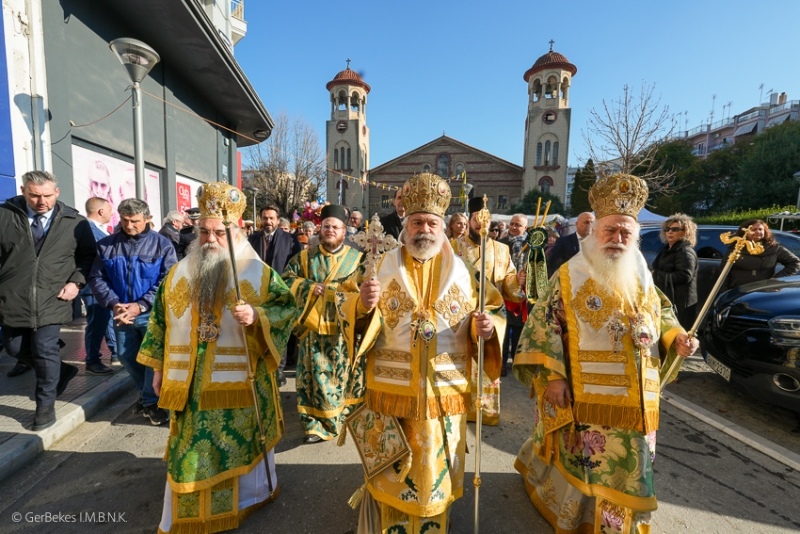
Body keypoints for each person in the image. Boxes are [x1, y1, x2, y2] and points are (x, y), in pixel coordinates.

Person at [513, 173, 699, 534]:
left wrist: (677, 338)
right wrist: (553, 377)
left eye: (625, 233)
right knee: (589, 460)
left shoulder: (642, 272)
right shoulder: (571, 274)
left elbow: (660, 313)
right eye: (610, 230)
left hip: (638, 393)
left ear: (635, 237)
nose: (617, 239)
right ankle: (582, 517)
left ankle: (621, 522)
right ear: (594, 231)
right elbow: (543, 325)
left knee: (632, 462)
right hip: (587, 393)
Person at [338, 172, 505, 533]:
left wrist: (488, 329)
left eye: (432, 222)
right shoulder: (379, 265)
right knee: (395, 469)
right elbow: (343, 302)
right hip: (390, 391)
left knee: (432, 471)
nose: (424, 229)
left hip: (444, 392)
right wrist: (361, 306)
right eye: (417, 222)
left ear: (442, 226)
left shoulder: (465, 273)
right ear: (405, 225)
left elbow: (493, 309)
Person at [136, 182, 296, 533]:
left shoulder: (259, 274)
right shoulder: (177, 275)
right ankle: (189, 513)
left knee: (240, 443)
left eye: (219, 232)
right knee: (190, 453)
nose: (210, 239)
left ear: (236, 231)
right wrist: (160, 370)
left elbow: (287, 309)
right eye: (204, 231)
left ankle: (247, 500)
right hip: (190, 383)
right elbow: (160, 325)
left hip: (240, 383)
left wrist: (257, 317)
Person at [0, 171, 96, 430]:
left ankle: (45, 406)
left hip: (54, 296)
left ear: (57, 192)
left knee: (44, 349)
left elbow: (88, 257)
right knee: (13, 348)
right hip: (14, 297)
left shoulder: (74, 221)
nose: (41, 201)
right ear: (23, 191)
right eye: (34, 195)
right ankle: (62, 370)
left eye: (46, 195)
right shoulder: (4, 216)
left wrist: (76, 282)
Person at [89, 198, 176, 425]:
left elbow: (168, 280)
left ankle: (150, 402)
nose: (129, 226)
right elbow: (98, 278)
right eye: (125, 221)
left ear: (147, 219)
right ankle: (147, 394)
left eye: (135, 221)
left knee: (150, 359)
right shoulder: (106, 245)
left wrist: (141, 305)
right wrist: (114, 303)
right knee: (127, 357)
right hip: (121, 313)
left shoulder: (162, 245)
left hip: (152, 313)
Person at [282, 205, 363, 444]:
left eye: (335, 227)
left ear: (344, 230)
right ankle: (315, 425)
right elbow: (285, 281)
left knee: (344, 376)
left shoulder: (357, 259)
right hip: (313, 331)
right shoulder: (304, 257)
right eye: (326, 226)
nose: (330, 230)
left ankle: (344, 417)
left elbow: (364, 288)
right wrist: (307, 288)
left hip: (343, 331)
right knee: (315, 377)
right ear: (320, 228)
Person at [451, 196, 525, 426]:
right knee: (459, 360)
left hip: (491, 316)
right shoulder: (453, 247)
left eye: (485, 219)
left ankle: (484, 409)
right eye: (475, 219)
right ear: (469, 219)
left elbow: (508, 282)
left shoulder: (502, 250)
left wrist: (518, 280)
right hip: (459, 315)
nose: (480, 224)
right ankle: (458, 406)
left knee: (487, 359)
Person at [248, 206, 302, 386]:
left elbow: (296, 268)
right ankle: (261, 366)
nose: (268, 222)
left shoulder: (291, 240)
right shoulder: (252, 239)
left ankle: (279, 370)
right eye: (264, 218)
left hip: (281, 293)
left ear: (278, 220)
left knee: (280, 332)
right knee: (259, 331)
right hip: (257, 293)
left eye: (271, 218)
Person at [82, 197, 117, 375]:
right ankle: (92, 360)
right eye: (110, 210)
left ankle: (114, 353)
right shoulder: (88, 230)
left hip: (102, 287)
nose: (112, 213)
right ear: (101, 211)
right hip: (94, 287)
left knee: (105, 320)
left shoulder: (99, 230)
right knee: (96, 323)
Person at [719, 218, 800, 293]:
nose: (757, 231)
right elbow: (724, 272)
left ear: (765, 232)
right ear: (746, 232)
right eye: (754, 229)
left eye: (760, 229)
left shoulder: (774, 247)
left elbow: (795, 262)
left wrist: (777, 278)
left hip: (763, 291)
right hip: (738, 291)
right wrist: (725, 293)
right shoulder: (736, 247)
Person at [652, 214, 699, 329]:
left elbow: (684, 276)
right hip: (667, 299)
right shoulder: (667, 250)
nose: (670, 232)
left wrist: (656, 275)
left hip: (681, 303)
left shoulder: (685, 251)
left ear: (686, 232)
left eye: (675, 229)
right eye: (667, 229)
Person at [499, 213, 531, 377]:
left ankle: (517, 362)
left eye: (517, 224)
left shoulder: (533, 245)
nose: (513, 227)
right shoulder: (501, 244)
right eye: (511, 223)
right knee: (504, 329)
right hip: (505, 292)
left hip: (525, 294)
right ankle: (501, 363)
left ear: (525, 227)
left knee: (520, 330)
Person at [547, 211, 595, 277]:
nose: (589, 225)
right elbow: (554, 265)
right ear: (577, 224)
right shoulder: (563, 241)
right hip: (569, 282)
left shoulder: (599, 243)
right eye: (586, 222)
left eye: (592, 222)